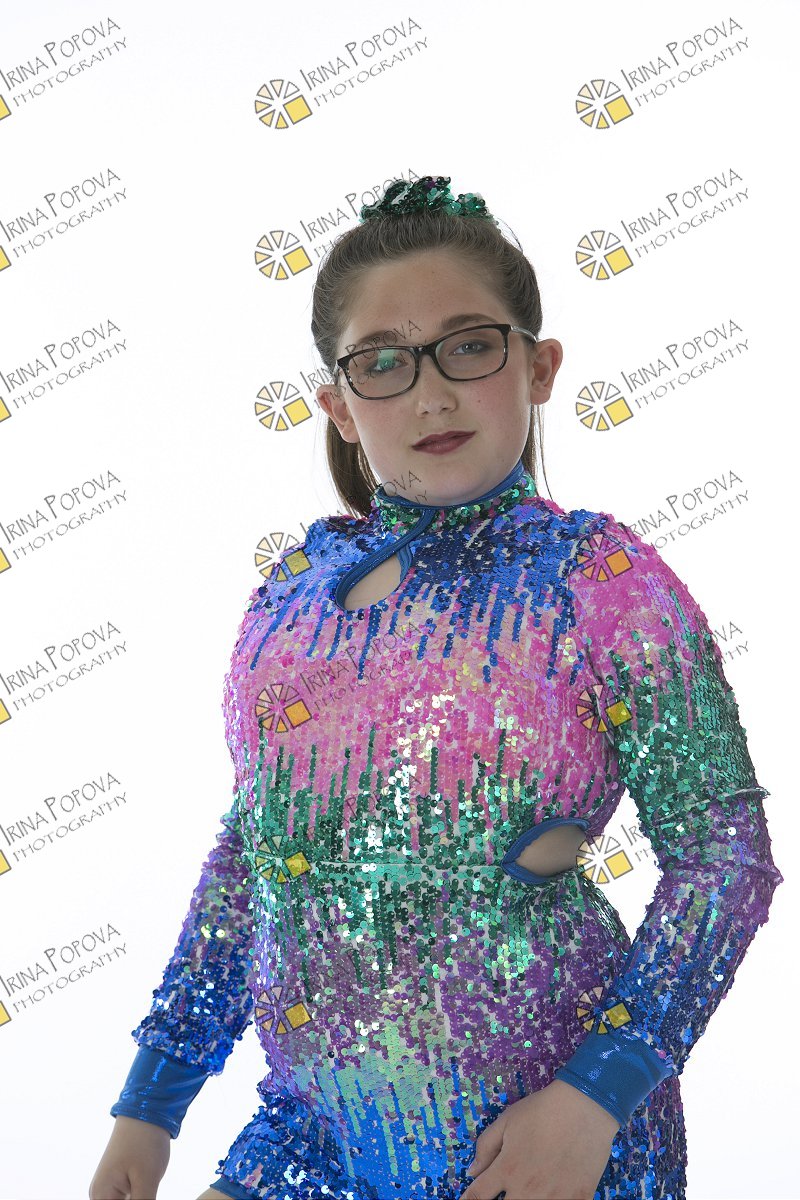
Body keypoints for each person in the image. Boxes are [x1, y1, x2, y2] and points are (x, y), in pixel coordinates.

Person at [89, 175, 783, 1200]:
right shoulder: (290, 595)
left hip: (535, 1140)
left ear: (538, 366)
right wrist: (150, 1106)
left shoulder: (596, 580)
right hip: (311, 1138)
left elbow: (723, 857)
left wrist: (597, 1093)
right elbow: (251, 860)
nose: (431, 393)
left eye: (468, 346)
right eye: (383, 362)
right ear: (337, 403)